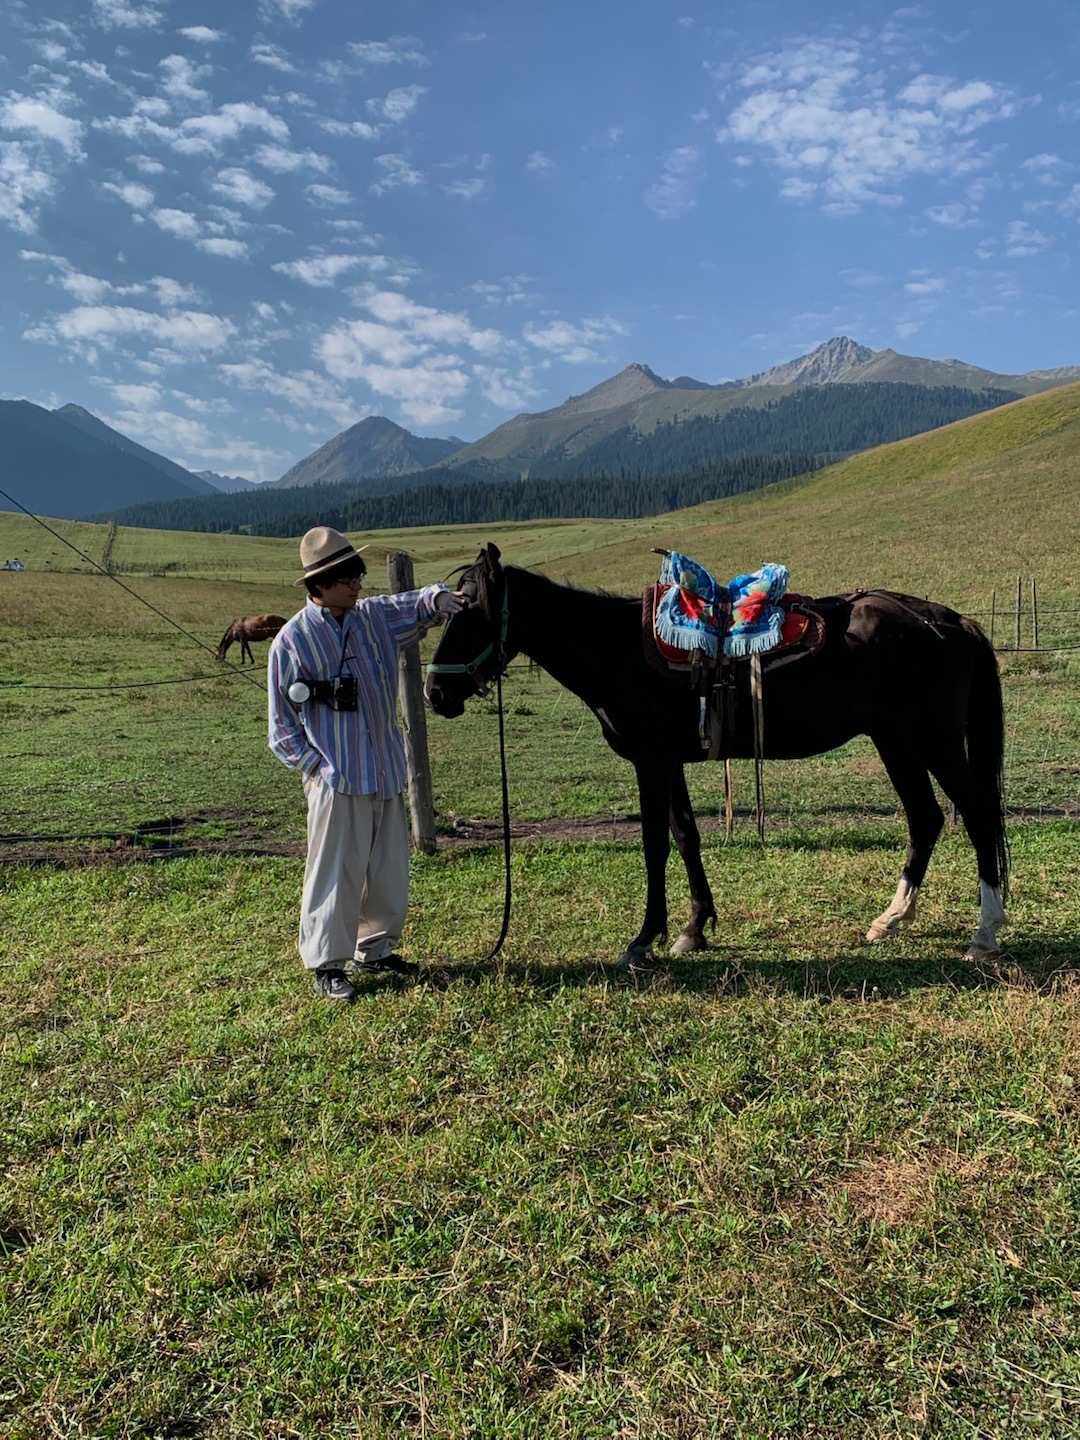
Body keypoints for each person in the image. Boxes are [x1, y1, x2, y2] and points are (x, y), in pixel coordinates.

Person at [268, 526, 465, 1001]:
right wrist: (318, 770)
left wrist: (441, 599)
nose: (359, 582)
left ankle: (374, 949)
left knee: (387, 868)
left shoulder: (373, 617)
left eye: (359, 572)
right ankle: (327, 965)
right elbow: (280, 727)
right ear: (321, 585)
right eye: (348, 576)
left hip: (384, 770)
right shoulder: (291, 643)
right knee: (335, 872)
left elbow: (416, 603)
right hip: (338, 779)